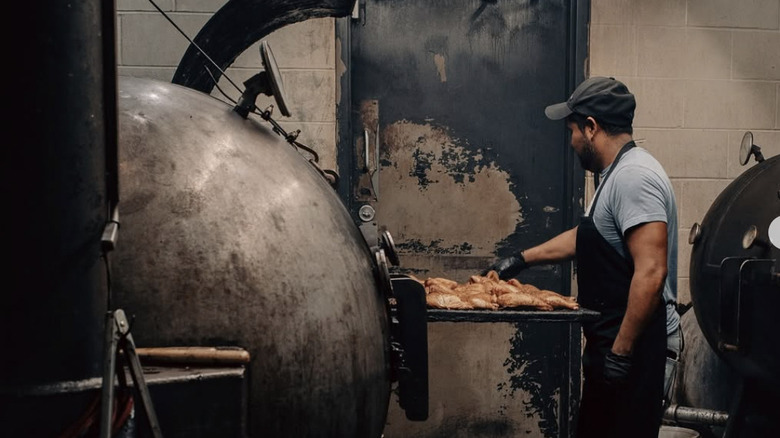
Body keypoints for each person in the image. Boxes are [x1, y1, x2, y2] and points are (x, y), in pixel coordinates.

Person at [484, 76, 680, 437]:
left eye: (573, 130)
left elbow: (651, 273)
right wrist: (520, 259)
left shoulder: (634, 177)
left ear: (591, 128)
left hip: (634, 348)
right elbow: (590, 237)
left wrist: (620, 354)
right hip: (614, 341)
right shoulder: (614, 174)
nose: (571, 141)